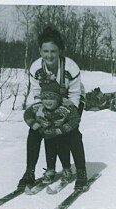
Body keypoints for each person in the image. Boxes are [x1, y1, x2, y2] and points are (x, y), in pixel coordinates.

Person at [18, 27, 88, 191]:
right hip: (47, 101)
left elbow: (75, 96)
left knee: (71, 133)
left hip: (71, 101)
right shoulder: (36, 68)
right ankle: (30, 172)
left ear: (60, 52)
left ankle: (81, 171)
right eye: (45, 51)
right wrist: (40, 112)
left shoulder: (71, 68)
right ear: (40, 50)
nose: (49, 55)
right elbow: (36, 94)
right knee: (37, 131)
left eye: (53, 51)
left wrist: (65, 116)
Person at [19, 81, 81, 187]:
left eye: (52, 98)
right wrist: (34, 124)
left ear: (58, 99)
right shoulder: (38, 107)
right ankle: (45, 170)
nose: (48, 102)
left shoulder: (64, 108)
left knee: (60, 143)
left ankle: (67, 169)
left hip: (61, 134)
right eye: (45, 98)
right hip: (46, 132)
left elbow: (75, 119)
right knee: (40, 138)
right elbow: (27, 114)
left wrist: (62, 129)